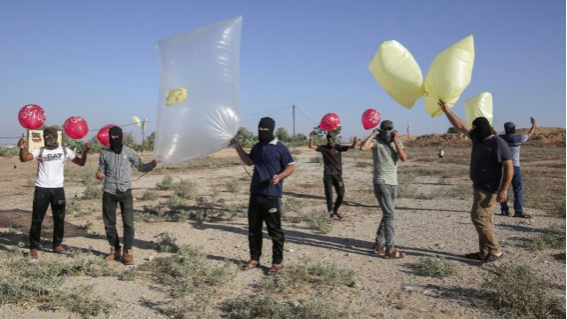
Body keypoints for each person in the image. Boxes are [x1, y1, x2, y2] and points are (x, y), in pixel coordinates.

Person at [439, 100, 513, 262]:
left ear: (481, 130)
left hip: (490, 188)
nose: (471, 130)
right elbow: (460, 125)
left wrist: (504, 190)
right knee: (485, 219)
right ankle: (483, 252)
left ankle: (495, 250)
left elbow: (509, 167)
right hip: (479, 186)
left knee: (478, 217)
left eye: (474, 128)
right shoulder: (478, 138)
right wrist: (447, 111)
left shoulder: (498, 143)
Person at [232, 117, 295, 275]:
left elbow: (291, 166)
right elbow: (249, 162)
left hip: (271, 195)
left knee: (275, 231)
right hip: (255, 194)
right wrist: (237, 147)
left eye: (265, 130)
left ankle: (277, 262)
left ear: (271, 130)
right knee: (254, 229)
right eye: (260, 129)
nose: (262, 132)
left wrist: (280, 177)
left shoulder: (280, 148)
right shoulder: (257, 146)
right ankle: (254, 259)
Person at [18, 126, 90, 260]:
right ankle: (34, 247)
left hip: (58, 190)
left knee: (59, 218)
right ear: (43, 138)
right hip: (41, 189)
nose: (48, 139)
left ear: (56, 137)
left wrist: (85, 152)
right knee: (37, 219)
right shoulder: (40, 150)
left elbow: (80, 163)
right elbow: (24, 158)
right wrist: (22, 148)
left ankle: (57, 245)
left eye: (50, 136)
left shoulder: (64, 151)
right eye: (46, 136)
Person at [95, 126, 157, 265]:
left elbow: (141, 167)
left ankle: (128, 252)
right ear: (109, 138)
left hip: (125, 192)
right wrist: (100, 174)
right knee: (109, 224)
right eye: (112, 137)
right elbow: (102, 169)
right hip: (109, 192)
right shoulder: (104, 153)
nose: (114, 139)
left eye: (117, 137)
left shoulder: (130, 152)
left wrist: (154, 163)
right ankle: (114, 250)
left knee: (128, 223)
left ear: (121, 137)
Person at [360, 120, 408, 259]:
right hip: (381, 182)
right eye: (384, 129)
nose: (387, 131)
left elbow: (404, 158)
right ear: (380, 130)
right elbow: (363, 148)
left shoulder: (395, 142)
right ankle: (390, 248)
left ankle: (378, 245)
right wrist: (372, 135)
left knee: (388, 214)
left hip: (393, 183)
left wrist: (396, 140)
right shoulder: (377, 142)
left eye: (389, 129)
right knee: (390, 215)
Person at [308, 132, 358, 219]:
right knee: (329, 195)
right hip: (328, 175)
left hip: (338, 175)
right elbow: (311, 146)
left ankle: (335, 209)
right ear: (327, 139)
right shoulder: (323, 148)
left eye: (333, 139)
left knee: (341, 194)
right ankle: (330, 214)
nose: (332, 140)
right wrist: (311, 138)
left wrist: (355, 142)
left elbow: (352, 147)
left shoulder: (339, 147)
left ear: (335, 139)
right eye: (330, 139)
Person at [498, 118, 536, 218]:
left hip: (503, 167)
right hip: (515, 167)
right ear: (514, 129)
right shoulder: (518, 138)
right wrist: (534, 124)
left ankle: (504, 210)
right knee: (518, 189)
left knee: (503, 188)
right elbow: (530, 134)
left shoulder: (500, 139)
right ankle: (518, 211)